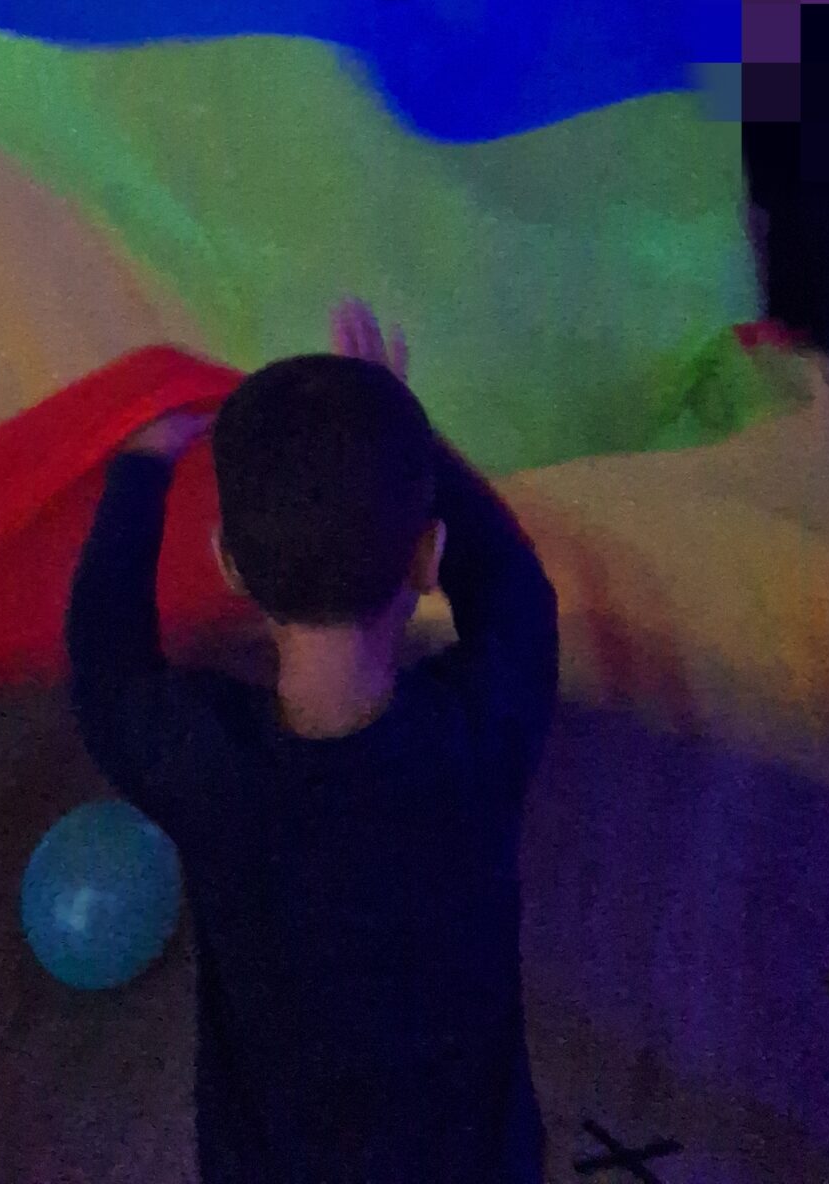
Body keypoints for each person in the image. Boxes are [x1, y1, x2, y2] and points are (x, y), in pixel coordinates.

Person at [67, 298, 559, 1184]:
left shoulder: (195, 760)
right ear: (426, 557)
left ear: (228, 563)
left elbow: (102, 653)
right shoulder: (484, 735)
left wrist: (140, 470)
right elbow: (512, 584)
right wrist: (410, 446)